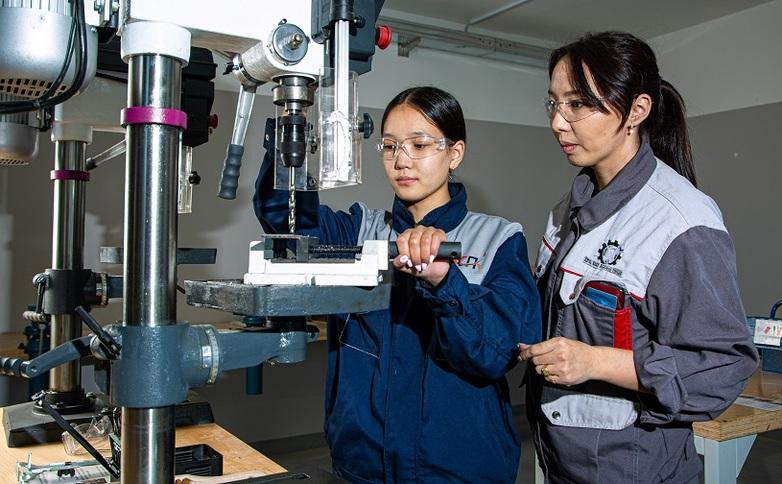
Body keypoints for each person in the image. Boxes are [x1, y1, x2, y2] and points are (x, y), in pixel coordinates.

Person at [254, 86, 541, 483]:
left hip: (458, 469)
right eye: (389, 147)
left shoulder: (497, 239)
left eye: (419, 145)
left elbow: (497, 351)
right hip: (365, 466)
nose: (401, 161)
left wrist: (446, 282)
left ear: (454, 153)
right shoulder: (359, 232)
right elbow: (284, 217)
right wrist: (291, 131)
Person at [520, 31, 759, 483]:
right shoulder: (566, 210)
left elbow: (723, 369)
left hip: (634, 468)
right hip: (561, 462)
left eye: (578, 104)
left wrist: (595, 362)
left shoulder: (681, 222)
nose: (558, 121)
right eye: (553, 103)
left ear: (637, 110)